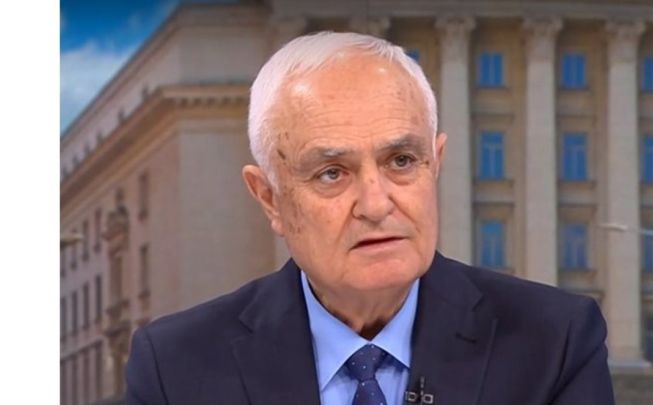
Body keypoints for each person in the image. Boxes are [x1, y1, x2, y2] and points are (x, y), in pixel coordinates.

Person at [126, 32, 615, 405]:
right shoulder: (174, 367)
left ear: (435, 164)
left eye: (401, 161)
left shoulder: (555, 342)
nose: (376, 204)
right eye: (332, 173)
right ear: (270, 199)